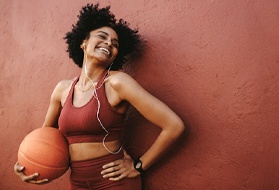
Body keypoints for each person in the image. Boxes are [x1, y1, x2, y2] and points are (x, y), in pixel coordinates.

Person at [14, 3, 184, 190]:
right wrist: (29, 164)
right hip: (77, 183)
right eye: (102, 37)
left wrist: (138, 166)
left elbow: (174, 125)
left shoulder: (118, 83)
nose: (109, 43)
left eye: (115, 44)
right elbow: (44, 140)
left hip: (114, 182)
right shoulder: (62, 90)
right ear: (83, 43)